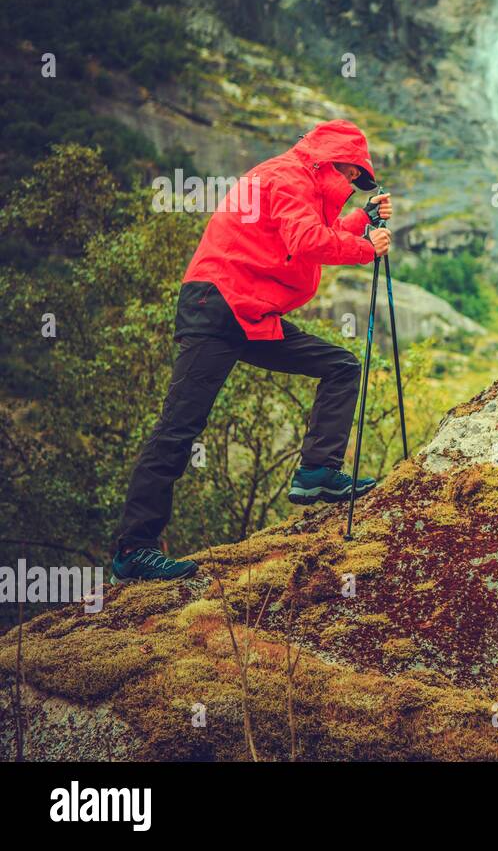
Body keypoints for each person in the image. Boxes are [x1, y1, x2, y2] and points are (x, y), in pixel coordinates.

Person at [110, 119, 394, 583]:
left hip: (251, 312)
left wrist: (363, 220)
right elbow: (305, 242)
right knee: (179, 428)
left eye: (359, 182)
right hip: (217, 306)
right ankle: (134, 550)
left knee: (341, 366)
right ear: (332, 161)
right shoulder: (285, 177)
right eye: (353, 176)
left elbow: (298, 239)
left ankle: (317, 473)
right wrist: (365, 247)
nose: (352, 186)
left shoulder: (301, 183)